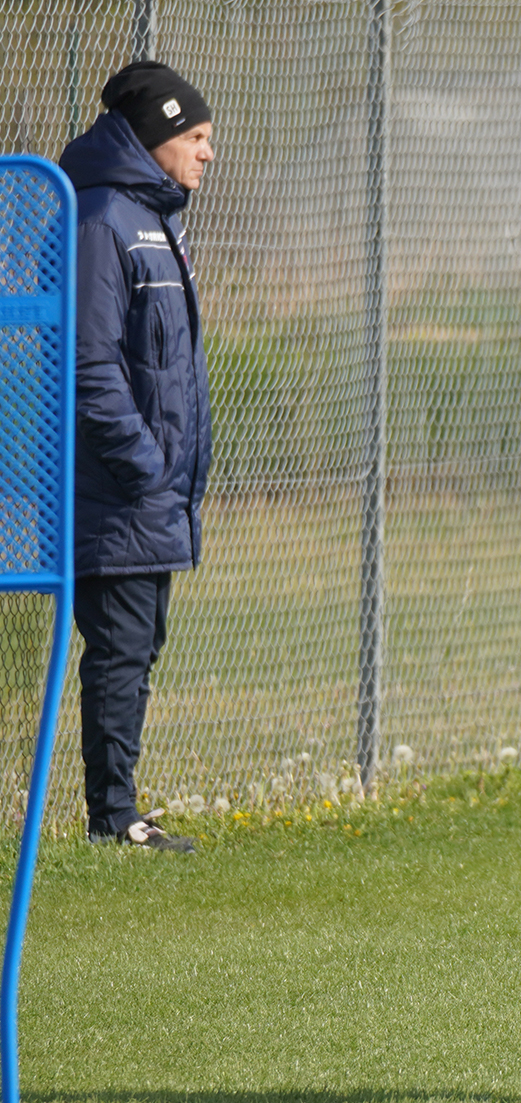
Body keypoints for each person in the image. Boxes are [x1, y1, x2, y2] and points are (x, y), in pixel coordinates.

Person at [58, 62, 216, 853]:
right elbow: (91, 365)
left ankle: (118, 811)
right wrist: (145, 466)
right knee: (120, 649)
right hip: (115, 493)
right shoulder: (103, 219)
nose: (206, 154)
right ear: (155, 135)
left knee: (138, 646)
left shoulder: (158, 219)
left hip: (152, 497)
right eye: (194, 137)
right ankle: (112, 819)